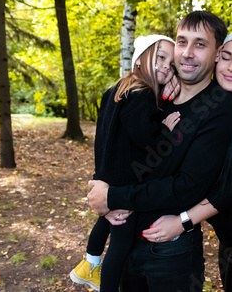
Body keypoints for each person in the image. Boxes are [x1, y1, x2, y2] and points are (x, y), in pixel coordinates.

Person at [87, 11, 232, 292]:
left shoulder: (219, 108)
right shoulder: (155, 96)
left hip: (169, 252)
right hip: (125, 237)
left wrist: (112, 197)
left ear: (217, 53)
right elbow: (117, 147)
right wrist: (102, 189)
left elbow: (188, 186)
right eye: (182, 42)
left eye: (200, 44)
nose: (187, 53)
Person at [142, 30, 232, 292]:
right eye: (226, 57)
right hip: (229, 237)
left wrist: (183, 221)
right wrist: (173, 79)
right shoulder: (218, 103)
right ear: (216, 59)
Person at [70, 35, 181, 291]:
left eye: (172, 64)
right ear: (141, 58)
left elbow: (104, 136)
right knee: (120, 245)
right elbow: (144, 137)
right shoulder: (142, 94)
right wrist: (164, 131)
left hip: (108, 175)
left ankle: (89, 261)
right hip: (125, 181)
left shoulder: (118, 90)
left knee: (106, 221)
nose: (167, 66)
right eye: (161, 57)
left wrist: (101, 176)